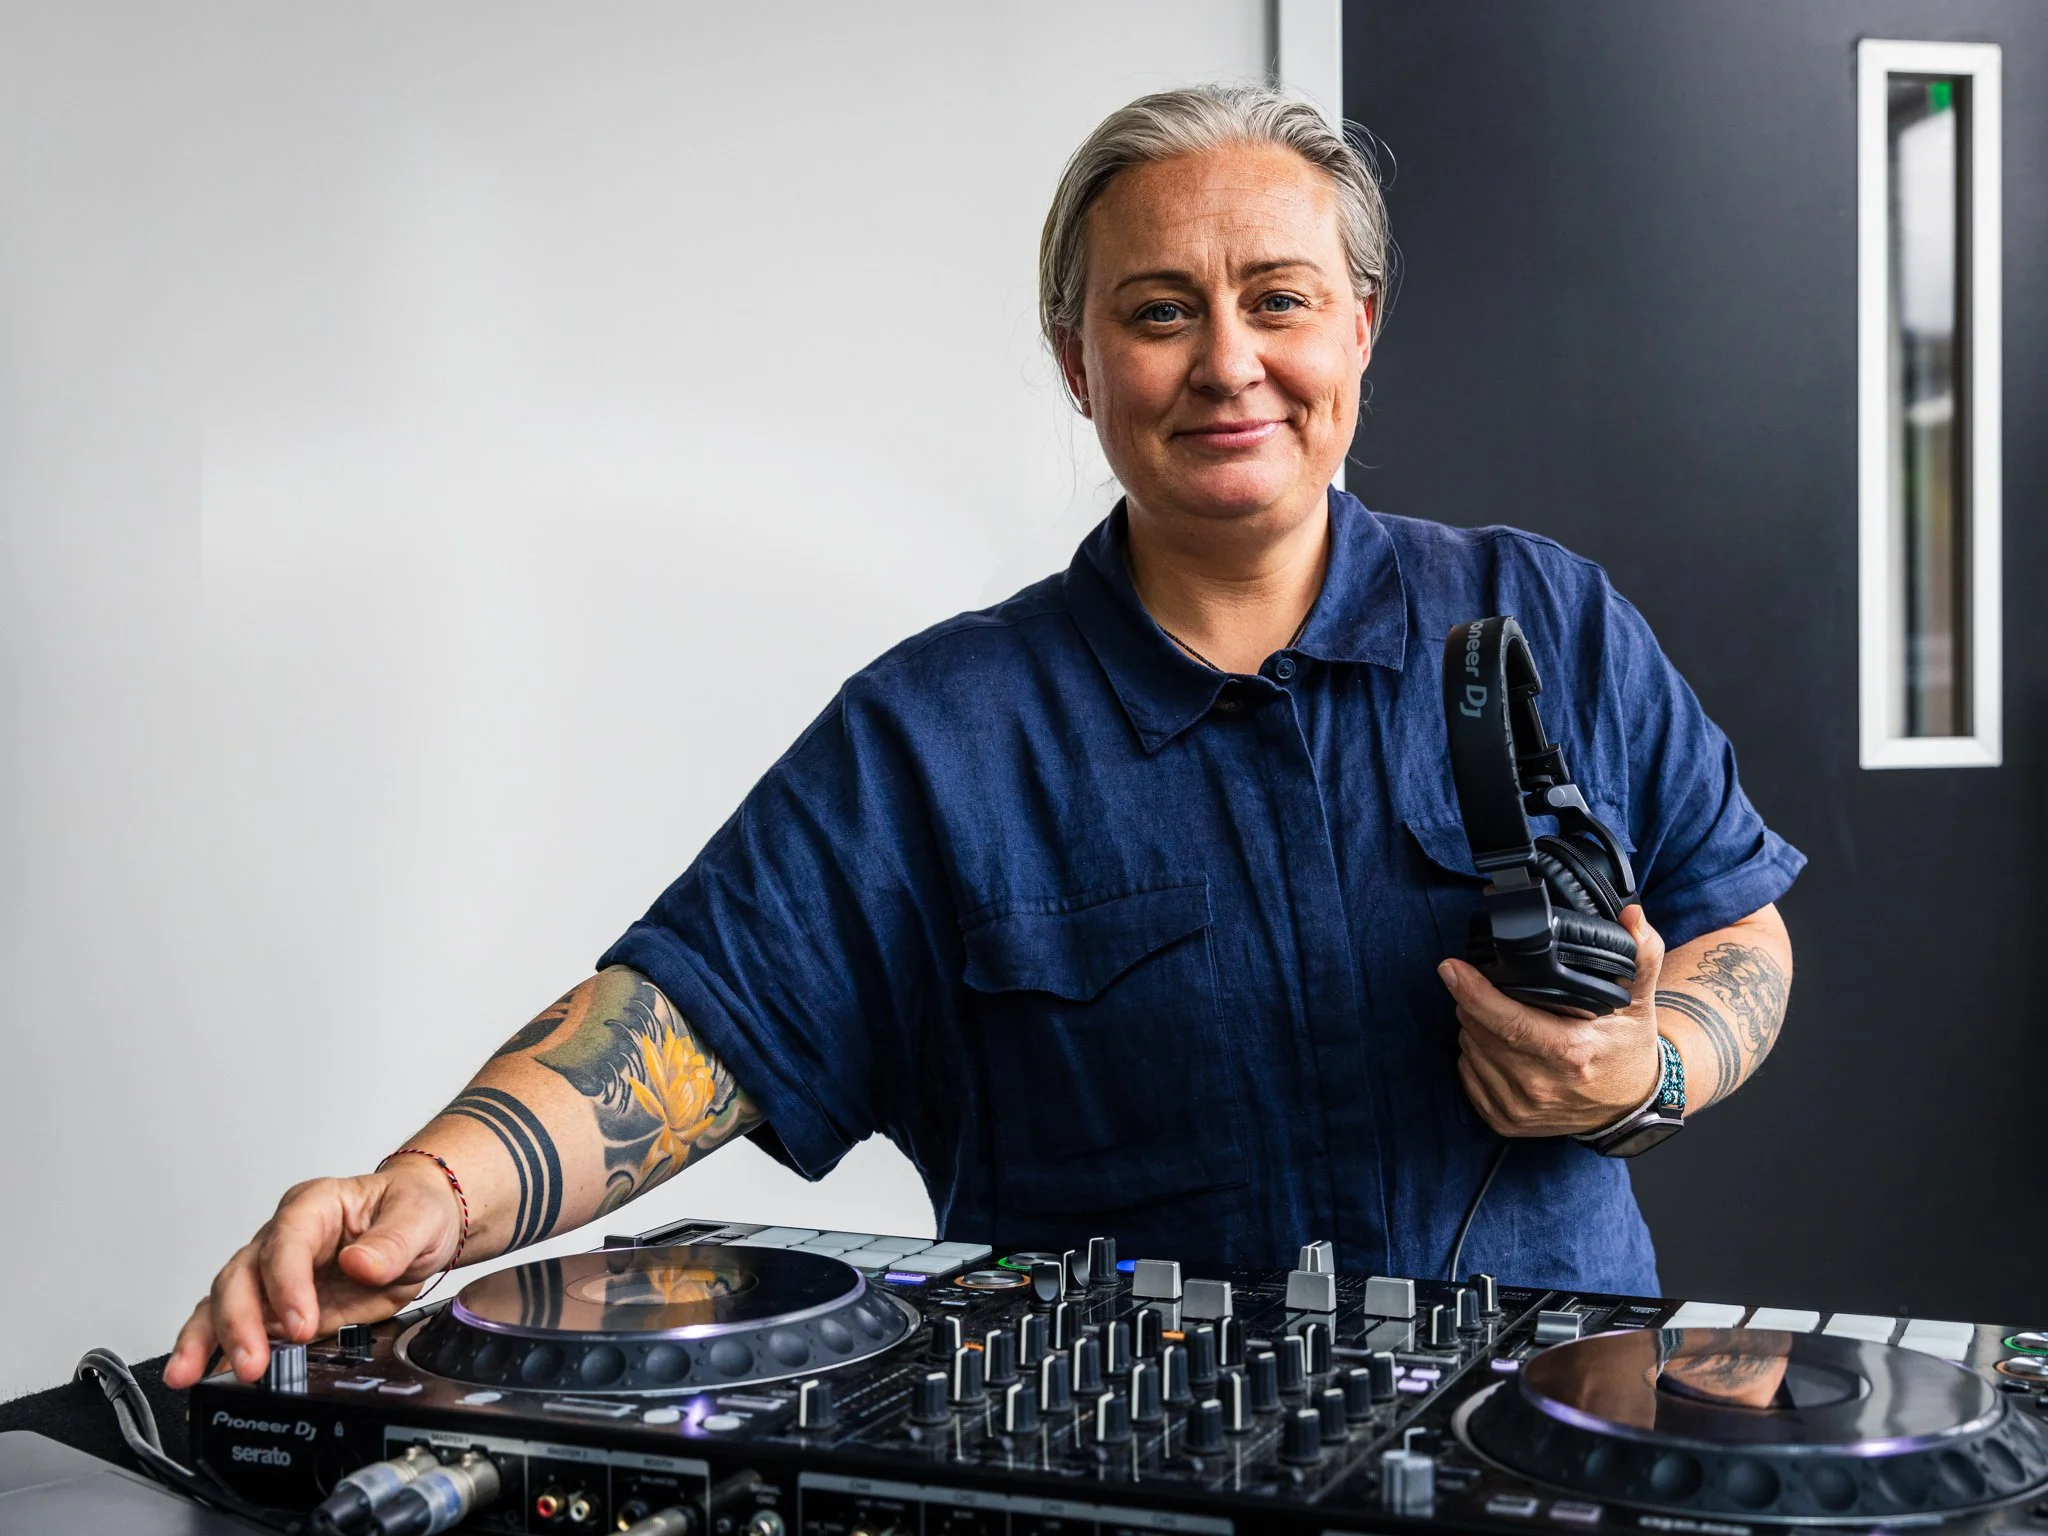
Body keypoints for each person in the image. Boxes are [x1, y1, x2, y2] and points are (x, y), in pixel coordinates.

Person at [166, 84, 1801, 1392]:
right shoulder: (938, 732)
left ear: (1359, 329)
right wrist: (419, 1202)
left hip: (1556, 1436)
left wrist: (1644, 1065)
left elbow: (1741, 932)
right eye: (1159, 312)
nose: (1228, 363)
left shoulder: (1545, 616)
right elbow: (684, 1022)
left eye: (1279, 301)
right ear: (1075, 362)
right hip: (1113, 1476)